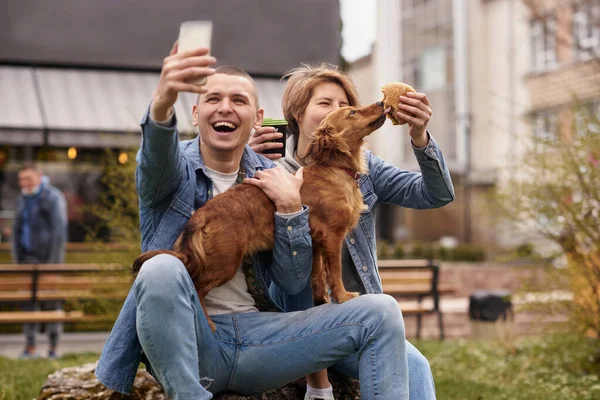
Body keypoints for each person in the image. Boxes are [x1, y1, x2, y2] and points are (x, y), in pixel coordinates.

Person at [96, 43, 411, 400]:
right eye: (213, 99)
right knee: (160, 269)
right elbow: (153, 158)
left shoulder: (282, 178)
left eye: (239, 100)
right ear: (196, 113)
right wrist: (162, 102)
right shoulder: (171, 172)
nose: (226, 107)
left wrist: (292, 211)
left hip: (261, 337)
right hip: (194, 340)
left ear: (258, 117)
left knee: (382, 311)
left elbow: (292, 285)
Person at [249, 63, 455, 400]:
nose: (339, 111)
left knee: (416, 366)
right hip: (295, 322)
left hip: (367, 319)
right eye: (325, 103)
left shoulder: (365, 167)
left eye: (345, 105)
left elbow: (437, 194)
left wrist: (420, 137)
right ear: (297, 114)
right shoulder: (271, 172)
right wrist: (247, 159)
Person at [12, 164, 68, 358]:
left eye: (28, 178)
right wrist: (17, 260)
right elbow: (16, 230)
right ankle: (30, 347)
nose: (25, 183)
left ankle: (53, 347)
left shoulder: (52, 197)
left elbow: (59, 232)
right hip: (26, 259)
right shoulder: (22, 199)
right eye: (22, 179)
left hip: (48, 260)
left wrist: (53, 264)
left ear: (39, 177)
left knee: (51, 303)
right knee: (28, 304)